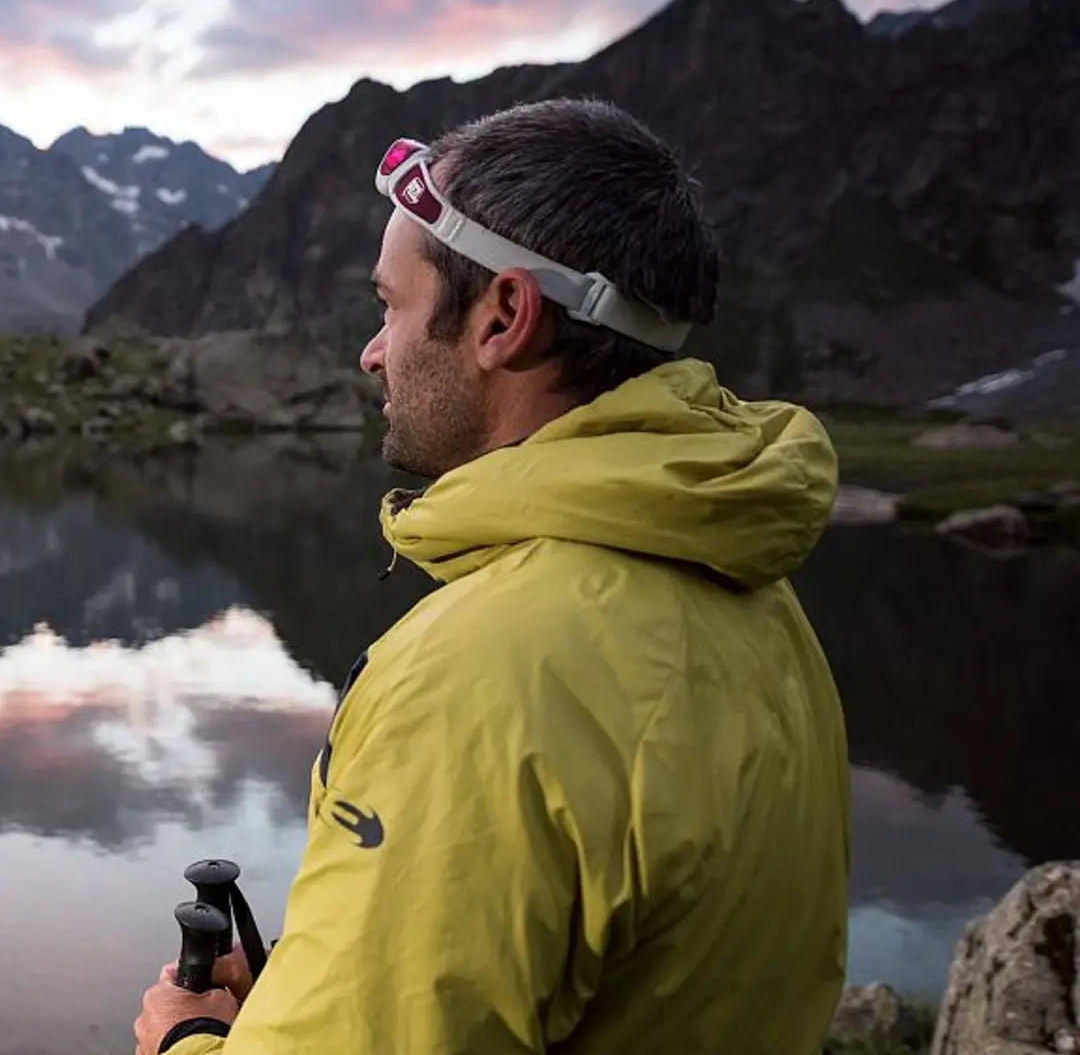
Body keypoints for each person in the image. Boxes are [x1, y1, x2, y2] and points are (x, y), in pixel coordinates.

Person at [133, 97, 851, 1054]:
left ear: (503, 316)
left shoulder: (480, 678)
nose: (372, 351)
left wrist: (190, 1045)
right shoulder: (759, 599)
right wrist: (326, 984)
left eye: (391, 305)